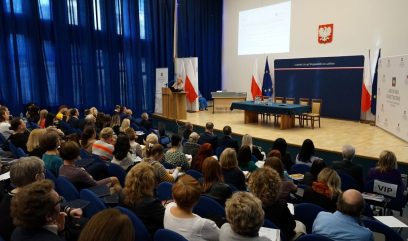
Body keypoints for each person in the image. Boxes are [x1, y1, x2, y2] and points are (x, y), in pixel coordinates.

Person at [248, 168, 305, 240]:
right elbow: (292, 226)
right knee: (300, 225)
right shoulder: (281, 206)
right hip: (282, 237)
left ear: (252, 185)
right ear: (277, 186)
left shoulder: (249, 207)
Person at [164, 175, 220, 241]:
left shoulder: (168, 207)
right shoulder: (204, 224)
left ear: (173, 197)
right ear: (197, 200)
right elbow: (222, 237)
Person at [120, 163, 164, 235]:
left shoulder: (122, 194)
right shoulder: (152, 204)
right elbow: (167, 221)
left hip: (130, 233)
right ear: (149, 182)